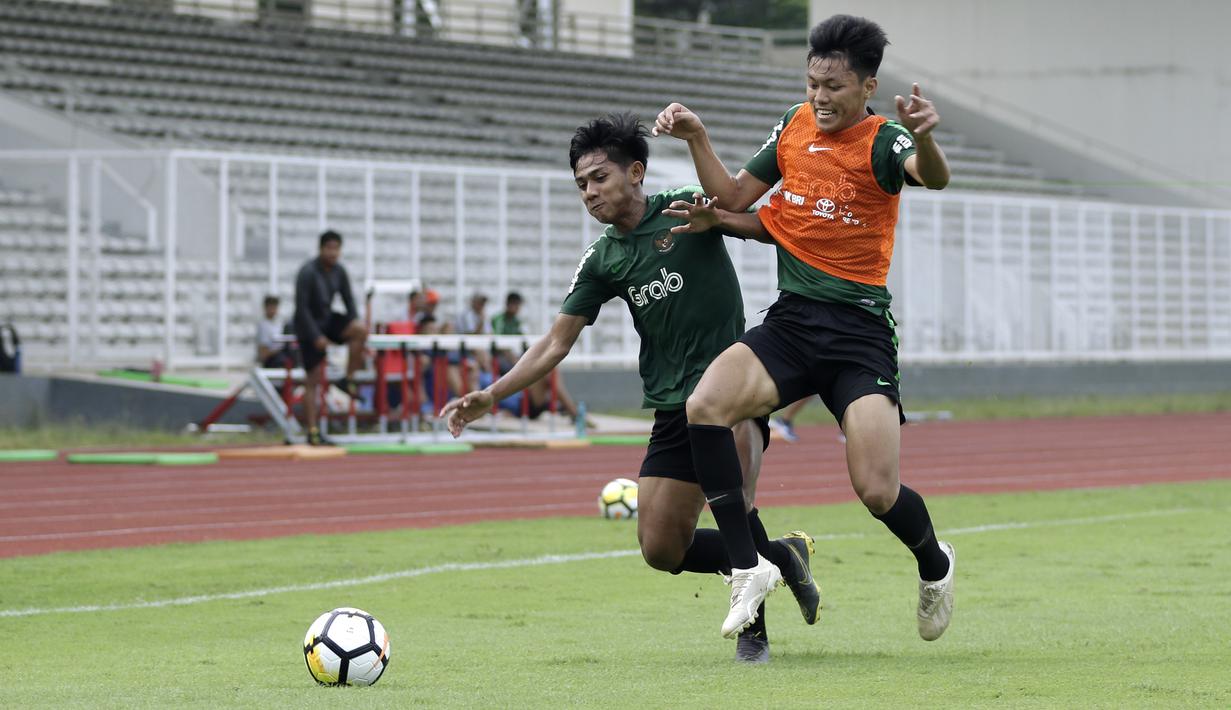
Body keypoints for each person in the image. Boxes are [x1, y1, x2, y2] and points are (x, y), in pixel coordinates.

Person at [440, 113, 821, 663]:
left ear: (635, 172)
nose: (590, 193)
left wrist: (719, 209)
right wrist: (491, 394)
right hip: (672, 408)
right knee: (662, 548)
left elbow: (758, 220)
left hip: (731, 390)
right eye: (581, 185)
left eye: (598, 178)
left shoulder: (686, 206)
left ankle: (753, 634)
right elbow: (554, 343)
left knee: (734, 503)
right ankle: (783, 557)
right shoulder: (604, 260)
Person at [653, 14, 956, 642]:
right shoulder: (794, 125)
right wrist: (696, 136)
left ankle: (934, 563)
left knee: (876, 490)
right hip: (792, 322)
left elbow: (934, 176)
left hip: (858, 334)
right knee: (705, 405)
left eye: (834, 86)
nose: (819, 96)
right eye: (813, 82)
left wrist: (926, 138)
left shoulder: (886, 139)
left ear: (867, 87)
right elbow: (735, 198)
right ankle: (747, 566)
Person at [293, 230, 368, 445]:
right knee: (313, 379)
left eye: (337, 249)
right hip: (308, 325)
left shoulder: (339, 272)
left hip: (327, 320)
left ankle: (348, 379)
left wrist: (354, 323)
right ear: (321, 249)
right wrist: (315, 336)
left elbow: (349, 302)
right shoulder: (307, 272)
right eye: (329, 248)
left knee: (360, 330)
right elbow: (302, 309)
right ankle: (313, 430)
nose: (333, 253)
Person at [255, 295, 291, 368]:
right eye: (270, 307)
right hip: (272, 360)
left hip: (281, 355)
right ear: (265, 308)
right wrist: (279, 350)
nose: (272, 310)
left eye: (274, 307)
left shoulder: (280, 323)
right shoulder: (263, 325)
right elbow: (263, 353)